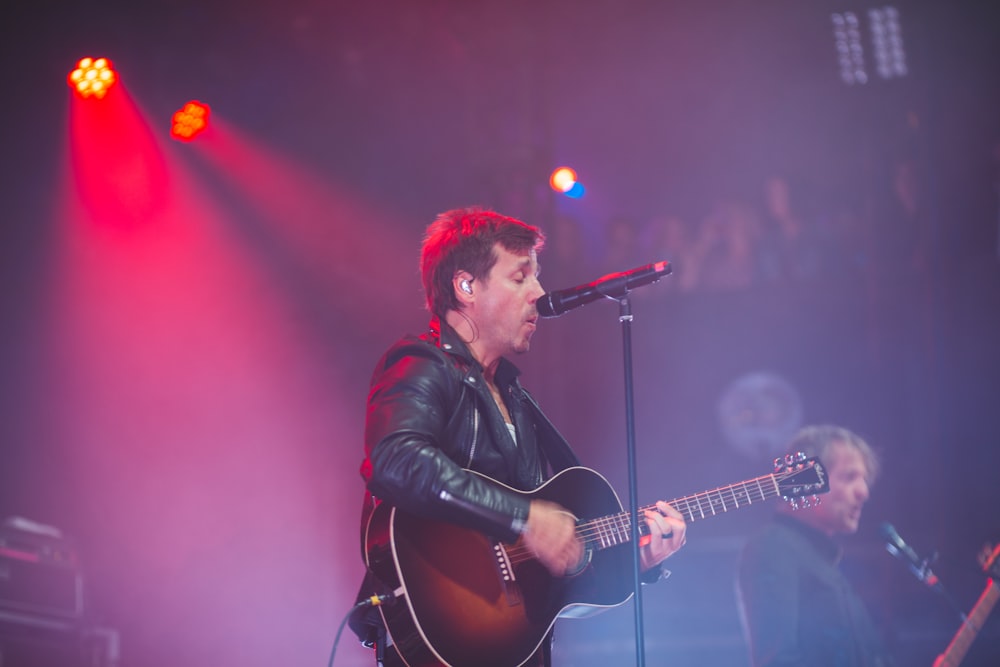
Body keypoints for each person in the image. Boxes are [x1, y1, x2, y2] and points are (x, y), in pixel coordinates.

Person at [352, 207, 687, 666]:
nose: (538, 293)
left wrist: (640, 562)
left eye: (537, 277)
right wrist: (522, 516)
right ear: (466, 286)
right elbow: (396, 460)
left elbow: (552, 581)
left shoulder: (513, 395)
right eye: (520, 277)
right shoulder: (421, 363)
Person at [736, 425, 894, 667]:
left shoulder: (821, 559)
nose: (864, 492)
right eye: (849, 477)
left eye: (864, 480)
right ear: (807, 481)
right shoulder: (774, 547)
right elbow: (778, 661)